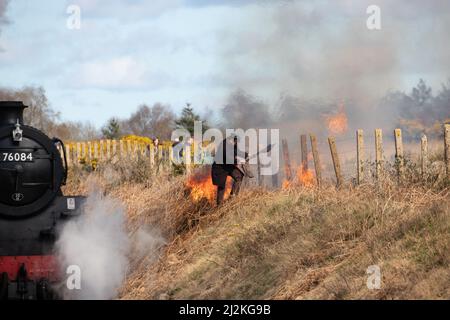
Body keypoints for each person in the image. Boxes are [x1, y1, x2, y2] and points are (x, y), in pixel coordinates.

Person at [211, 135, 253, 205]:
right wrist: (238, 161)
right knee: (221, 186)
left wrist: (246, 154)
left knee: (239, 176)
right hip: (219, 167)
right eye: (234, 141)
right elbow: (228, 158)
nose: (235, 143)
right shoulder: (223, 145)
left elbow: (236, 151)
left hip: (228, 166)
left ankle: (233, 197)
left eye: (236, 142)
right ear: (230, 139)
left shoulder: (233, 144)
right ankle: (219, 205)